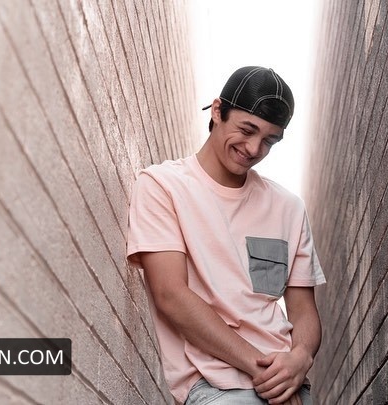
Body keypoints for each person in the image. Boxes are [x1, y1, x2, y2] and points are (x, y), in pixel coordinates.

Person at [127, 66, 326, 405]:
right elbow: (170, 295)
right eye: (247, 130)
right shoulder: (163, 186)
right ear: (218, 111)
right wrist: (265, 373)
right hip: (216, 387)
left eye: (269, 140)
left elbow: (303, 309)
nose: (254, 148)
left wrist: (301, 357)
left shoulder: (288, 207)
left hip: (288, 387)